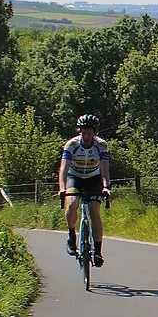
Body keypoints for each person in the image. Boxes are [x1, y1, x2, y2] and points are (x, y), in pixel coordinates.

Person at [59, 114, 112, 267]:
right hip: (75, 177)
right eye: (84, 132)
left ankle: (98, 251)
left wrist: (106, 187)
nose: (86, 136)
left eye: (89, 133)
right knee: (72, 203)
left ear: (95, 133)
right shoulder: (72, 144)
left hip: (93, 178)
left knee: (95, 210)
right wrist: (62, 188)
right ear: (80, 131)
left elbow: (104, 169)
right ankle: (71, 235)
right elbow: (63, 169)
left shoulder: (101, 145)